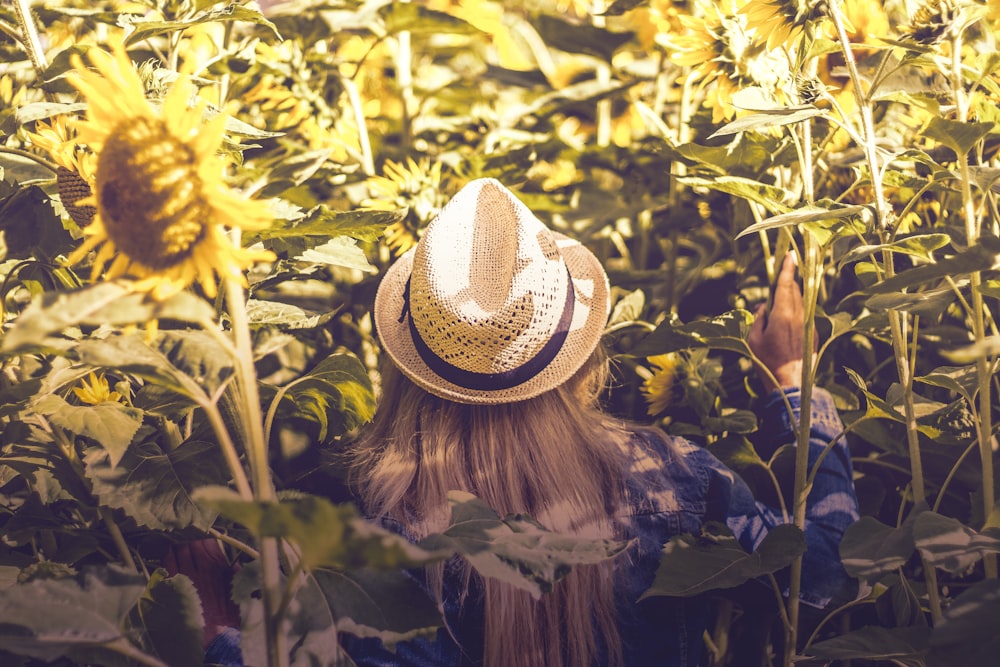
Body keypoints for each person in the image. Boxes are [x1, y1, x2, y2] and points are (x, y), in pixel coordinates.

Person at [201, 178, 859, 666]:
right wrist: (793, 385)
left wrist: (216, 640)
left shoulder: (371, 533)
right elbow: (824, 575)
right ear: (574, 348)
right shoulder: (672, 478)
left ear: (408, 364)